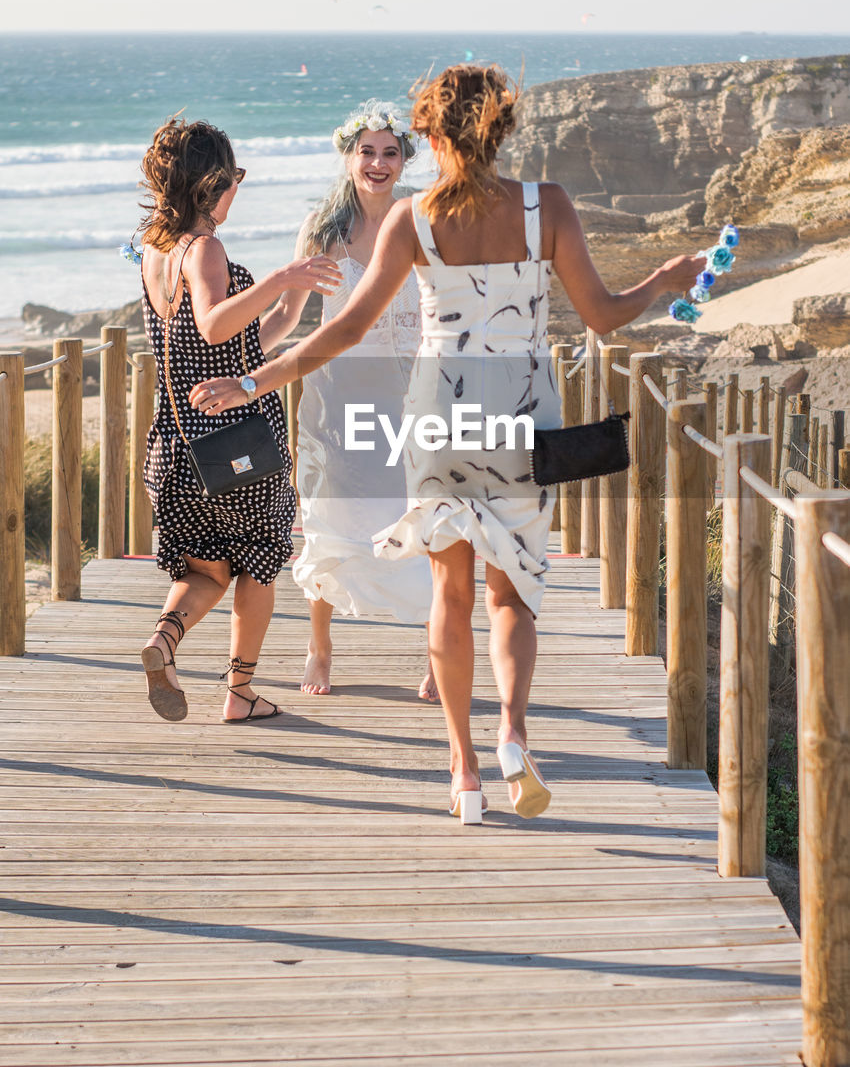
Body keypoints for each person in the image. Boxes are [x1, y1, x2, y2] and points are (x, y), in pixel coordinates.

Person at [189, 66, 703, 817]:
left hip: (436, 420)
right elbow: (603, 315)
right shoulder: (546, 207)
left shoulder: (412, 219)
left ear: (426, 137)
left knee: (450, 594)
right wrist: (664, 277)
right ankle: (514, 733)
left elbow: (346, 329)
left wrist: (255, 381)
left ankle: (462, 770)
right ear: (502, 129)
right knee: (513, 596)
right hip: (523, 417)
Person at [136, 115, 342, 724]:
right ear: (211, 183)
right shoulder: (206, 248)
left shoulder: (155, 250)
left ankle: (164, 641)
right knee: (258, 562)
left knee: (206, 569)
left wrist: (295, 290)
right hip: (236, 443)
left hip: (176, 449)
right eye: (236, 178)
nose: (237, 190)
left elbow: (255, 336)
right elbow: (214, 323)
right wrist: (280, 275)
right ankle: (240, 692)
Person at [270, 101, 435, 699]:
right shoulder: (322, 229)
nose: (378, 162)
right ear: (348, 156)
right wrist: (238, 360)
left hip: (411, 399)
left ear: (403, 161)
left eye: (390, 152)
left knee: (422, 518)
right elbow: (290, 315)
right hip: (335, 401)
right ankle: (321, 647)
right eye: (366, 151)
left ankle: (437, 656)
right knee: (329, 523)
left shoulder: (420, 220)